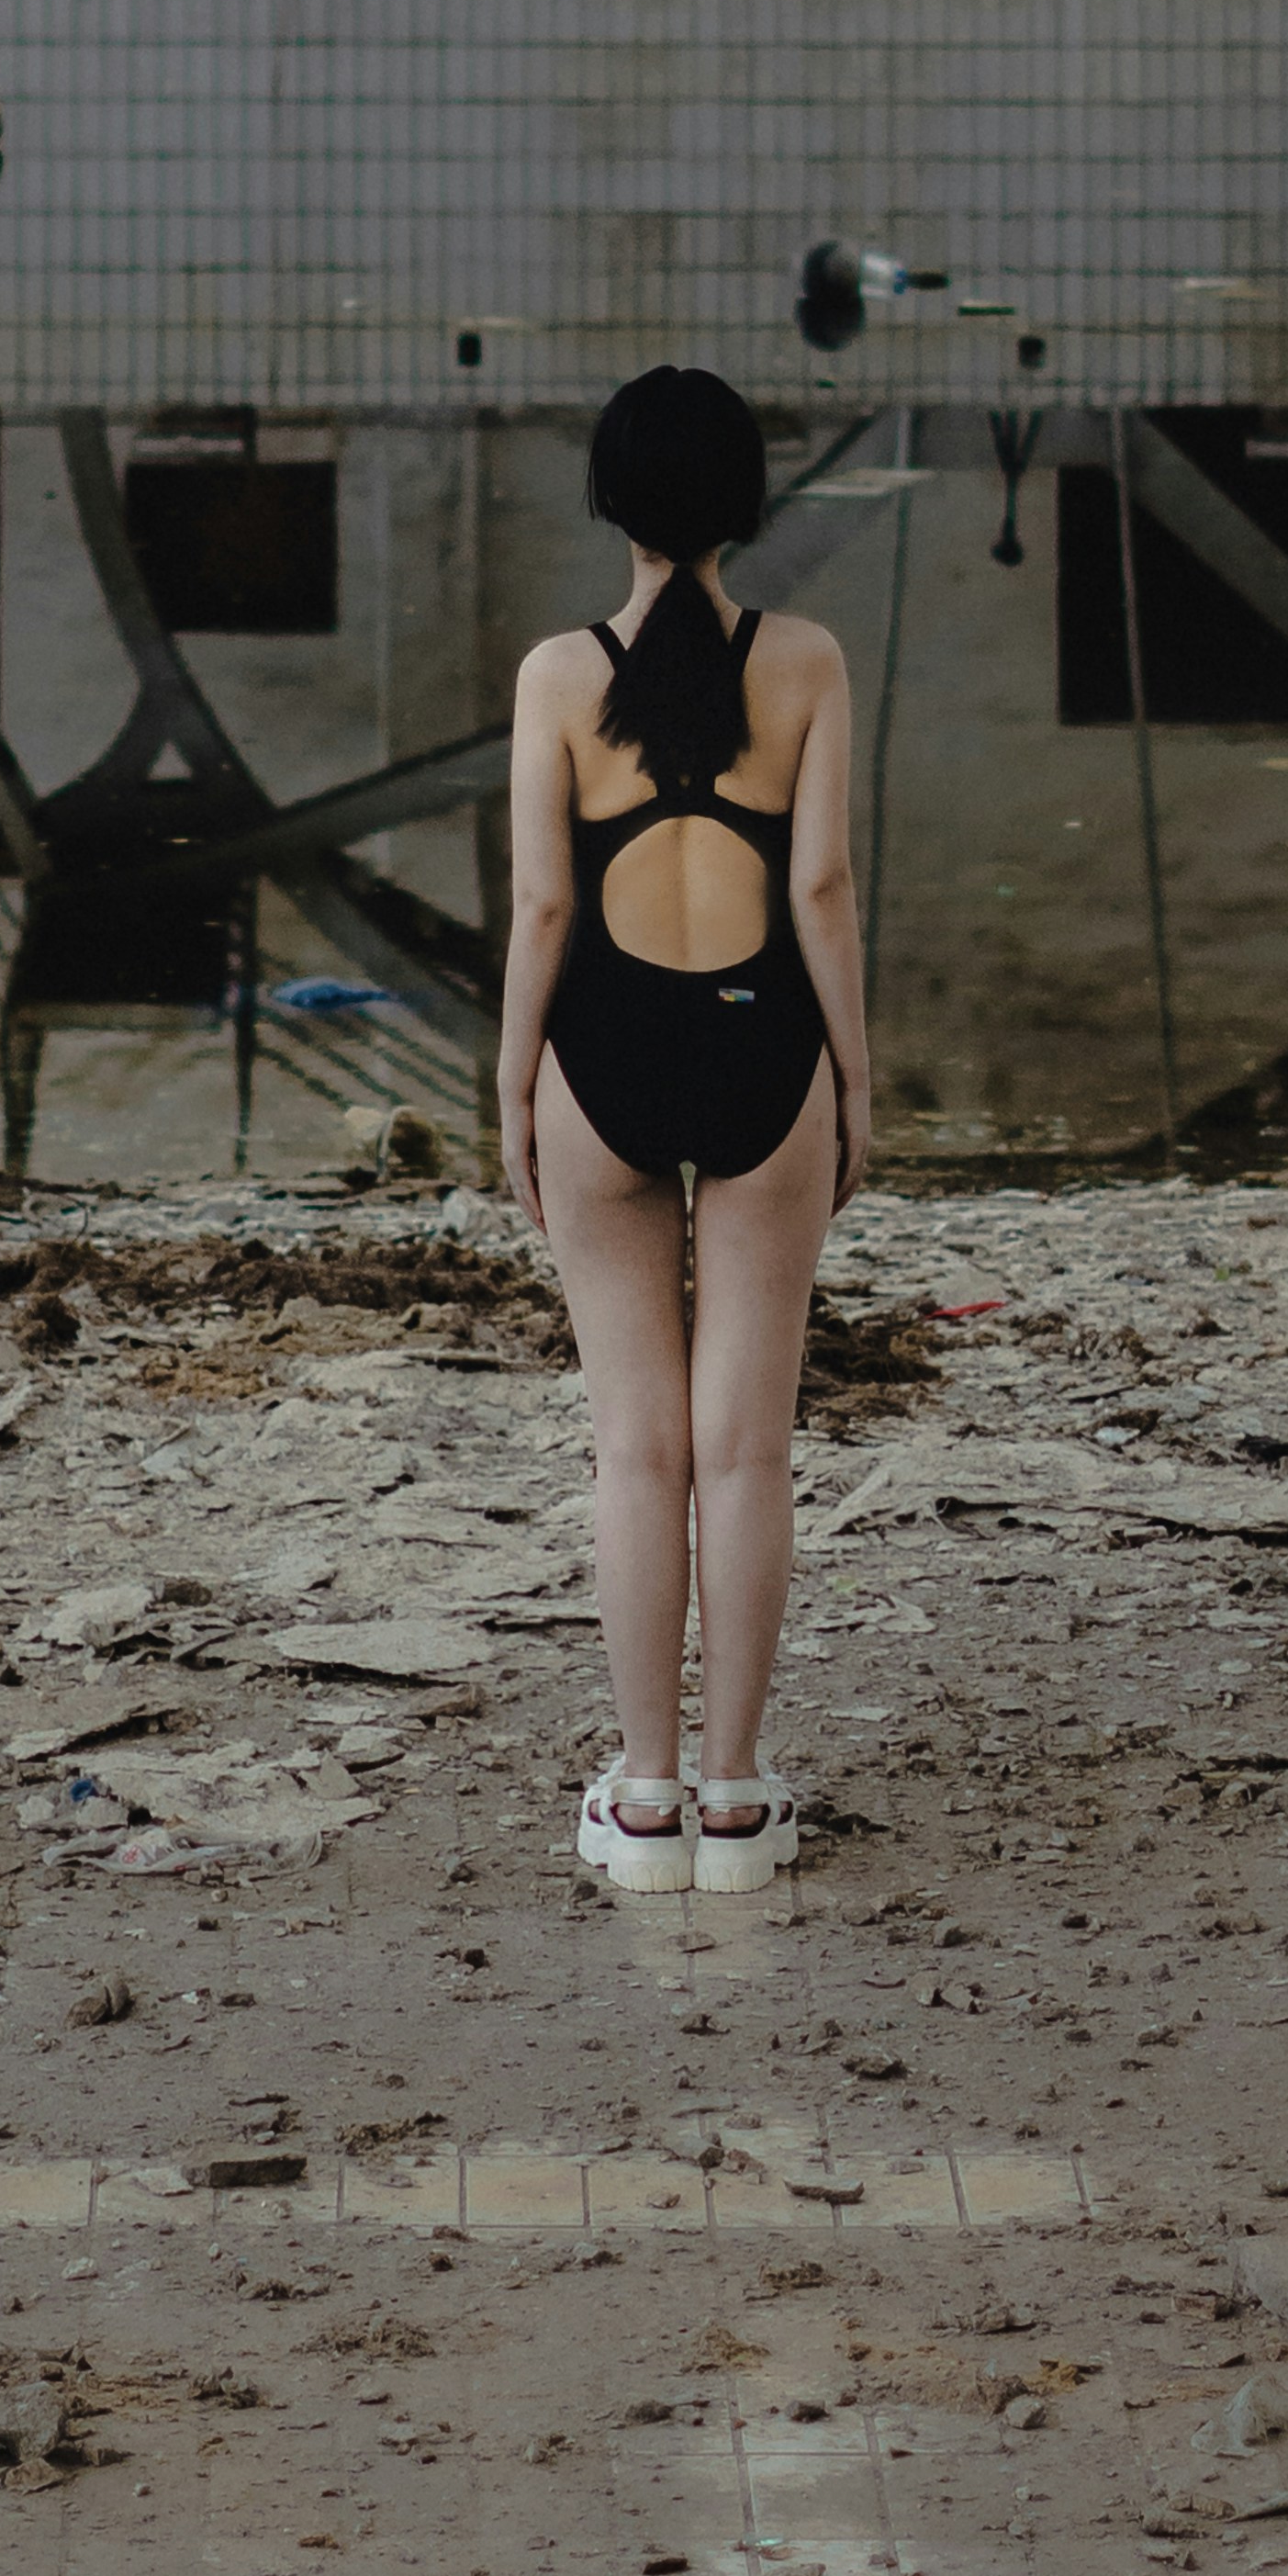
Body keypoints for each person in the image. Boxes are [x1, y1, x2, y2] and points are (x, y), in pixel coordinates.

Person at [499, 367, 870, 1892]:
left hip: (603, 1057)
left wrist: (514, 1088)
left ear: (608, 501)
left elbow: (541, 904)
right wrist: (858, 1081)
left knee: (635, 1450)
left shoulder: (555, 676)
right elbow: (823, 894)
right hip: (765, 1049)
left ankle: (642, 1799)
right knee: (748, 1450)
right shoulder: (807, 662)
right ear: (744, 505)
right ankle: (736, 1798)